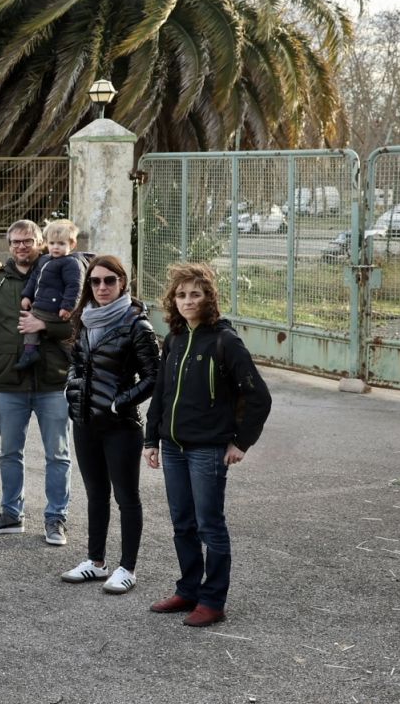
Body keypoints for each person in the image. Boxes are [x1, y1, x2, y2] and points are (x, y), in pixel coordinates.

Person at [145, 262, 271, 628]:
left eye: (194, 294)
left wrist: (241, 442)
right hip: (172, 448)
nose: (187, 301)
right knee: (182, 522)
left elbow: (259, 397)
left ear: (208, 298)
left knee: (209, 524)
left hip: (207, 451)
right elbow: (160, 393)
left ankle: (213, 600)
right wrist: (151, 438)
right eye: (181, 295)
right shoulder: (174, 338)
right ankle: (188, 589)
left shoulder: (224, 341)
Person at [58, 254, 159, 593]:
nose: (102, 287)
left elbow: (153, 378)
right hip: (84, 421)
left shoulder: (137, 325)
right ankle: (96, 562)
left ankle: (127, 568)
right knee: (95, 494)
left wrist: (119, 401)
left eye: (109, 281)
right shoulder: (84, 319)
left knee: (126, 497)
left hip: (121, 426)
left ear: (122, 284)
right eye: (95, 281)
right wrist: (71, 388)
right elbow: (77, 362)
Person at [0, 219, 75, 543]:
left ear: (40, 241)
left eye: (28, 240)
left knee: (57, 455)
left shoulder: (62, 271)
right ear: (9, 245)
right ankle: (11, 514)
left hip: (53, 382)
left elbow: (76, 328)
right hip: (8, 382)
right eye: (16, 241)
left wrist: (43, 327)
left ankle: (56, 518)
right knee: (9, 453)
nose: (21, 246)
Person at [19, 219, 85, 371]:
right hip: (41, 305)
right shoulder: (44, 260)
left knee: (64, 340)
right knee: (29, 320)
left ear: (72, 244)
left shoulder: (71, 263)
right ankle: (30, 351)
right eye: (52, 243)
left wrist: (67, 306)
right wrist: (26, 296)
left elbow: (74, 286)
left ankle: (77, 362)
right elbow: (34, 278)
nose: (56, 247)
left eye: (61, 244)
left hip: (57, 309)